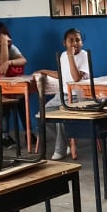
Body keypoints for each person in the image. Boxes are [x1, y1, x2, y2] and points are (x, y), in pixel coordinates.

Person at [42, 27, 90, 160]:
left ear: (82, 42)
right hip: (62, 95)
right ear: (64, 43)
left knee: (60, 116)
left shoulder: (84, 55)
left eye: (78, 40)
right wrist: (44, 71)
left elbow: (76, 78)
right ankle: (67, 141)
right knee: (43, 114)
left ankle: (60, 150)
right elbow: (62, 74)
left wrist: (71, 56)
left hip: (78, 96)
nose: (75, 43)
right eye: (71, 40)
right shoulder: (63, 55)